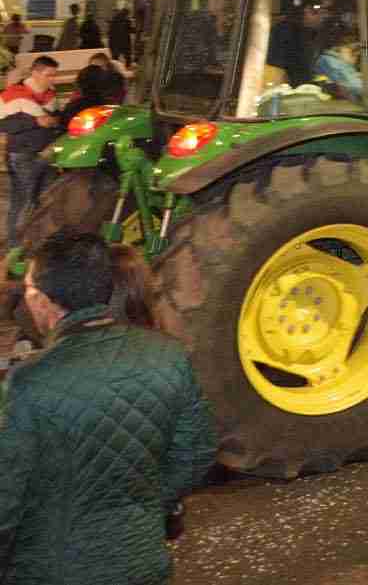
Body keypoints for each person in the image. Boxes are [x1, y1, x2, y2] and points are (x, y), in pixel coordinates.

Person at [0, 232, 217, 584]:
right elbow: (196, 451)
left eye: (26, 290)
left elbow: (7, 497)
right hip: (143, 560)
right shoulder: (168, 355)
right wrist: (144, 506)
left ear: (42, 300)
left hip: (56, 570)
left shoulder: (32, 380)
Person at [1, 57, 62, 244]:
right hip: (22, 155)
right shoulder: (13, 94)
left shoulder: (51, 95)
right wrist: (35, 121)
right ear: (35, 73)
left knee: (45, 202)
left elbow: (56, 117)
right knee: (24, 202)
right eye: (48, 75)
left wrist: (56, 121)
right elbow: (3, 123)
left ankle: (36, 244)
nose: (52, 79)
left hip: (47, 154)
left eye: (54, 75)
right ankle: (15, 247)